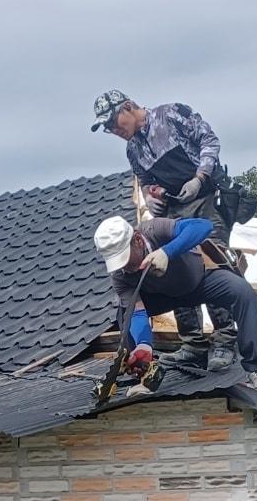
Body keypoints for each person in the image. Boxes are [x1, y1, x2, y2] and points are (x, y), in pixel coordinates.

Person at [91, 89, 239, 370]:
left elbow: (209, 140)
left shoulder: (171, 115)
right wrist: (150, 197)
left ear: (128, 107)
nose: (114, 130)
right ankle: (194, 344)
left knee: (213, 264)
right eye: (107, 128)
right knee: (174, 272)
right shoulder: (133, 149)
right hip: (174, 211)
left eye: (113, 122)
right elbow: (145, 180)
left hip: (205, 200)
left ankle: (224, 340)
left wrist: (200, 177)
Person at [94, 213, 257, 394]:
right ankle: (143, 373)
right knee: (124, 315)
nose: (124, 267)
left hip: (199, 281)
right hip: (164, 297)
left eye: (125, 258)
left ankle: (256, 369)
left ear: (138, 240)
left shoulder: (155, 229)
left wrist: (167, 252)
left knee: (243, 292)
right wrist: (143, 344)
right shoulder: (120, 276)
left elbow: (203, 226)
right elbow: (138, 313)